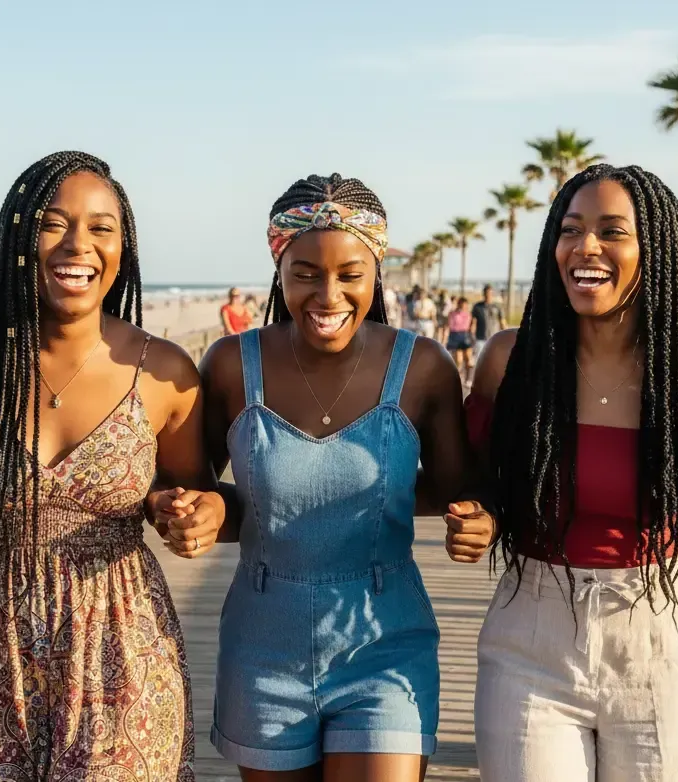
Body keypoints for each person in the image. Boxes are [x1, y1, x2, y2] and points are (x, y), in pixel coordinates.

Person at [0, 151, 225, 782]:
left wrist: (197, 511)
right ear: (19, 237)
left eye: (101, 228)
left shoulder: (164, 374)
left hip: (121, 656)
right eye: (53, 223)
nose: (77, 244)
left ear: (122, 248)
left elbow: (196, 494)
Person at [155, 173, 493, 781]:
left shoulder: (423, 368)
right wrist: (192, 513)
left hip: (384, 638)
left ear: (377, 274)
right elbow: (198, 491)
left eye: (349, 274)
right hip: (263, 643)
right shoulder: (232, 365)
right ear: (278, 268)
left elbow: (455, 491)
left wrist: (477, 522)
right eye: (306, 272)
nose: (327, 294)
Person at [460, 165, 678, 782]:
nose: (586, 247)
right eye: (570, 230)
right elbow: (475, 484)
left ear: (654, 250)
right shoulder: (508, 364)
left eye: (611, 231)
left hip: (658, 639)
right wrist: (480, 515)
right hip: (530, 636)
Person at [470, 284, 505, 365]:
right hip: (480, 338)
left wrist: (506, 335)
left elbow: (502, 322)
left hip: (494, 338)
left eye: (490, 293)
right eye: (486, 293)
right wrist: (471, 335)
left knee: (494, 361)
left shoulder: (497, 307)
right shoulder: (477, 306)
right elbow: (473, 322)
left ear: (492, 294)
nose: (488, 295)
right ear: (483, 294)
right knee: (479, 361)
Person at [446, 296, 474, 386]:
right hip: (455, 335)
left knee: (468, 359)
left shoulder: (469, 314)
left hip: (465, 335)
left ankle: (468, 378)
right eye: (462, 304)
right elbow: (449, 325)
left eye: (465, 305)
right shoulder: (452, 313)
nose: (464, 306)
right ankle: (459, 376)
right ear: (459, 304)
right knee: (459, 360)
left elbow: (472, 325)